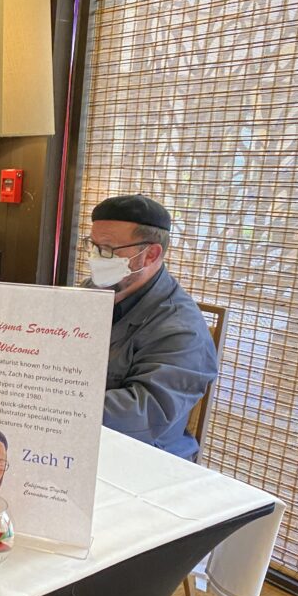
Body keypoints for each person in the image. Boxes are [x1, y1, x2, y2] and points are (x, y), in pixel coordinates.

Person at [84, 194, 217, 461]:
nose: (96, 258)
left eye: (108, 250)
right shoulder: (90, 292)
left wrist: (53, 404)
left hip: (145, 458)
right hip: (83, 441)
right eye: (93, 246)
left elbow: (145, 412)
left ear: (151, 254)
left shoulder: (181, 328)